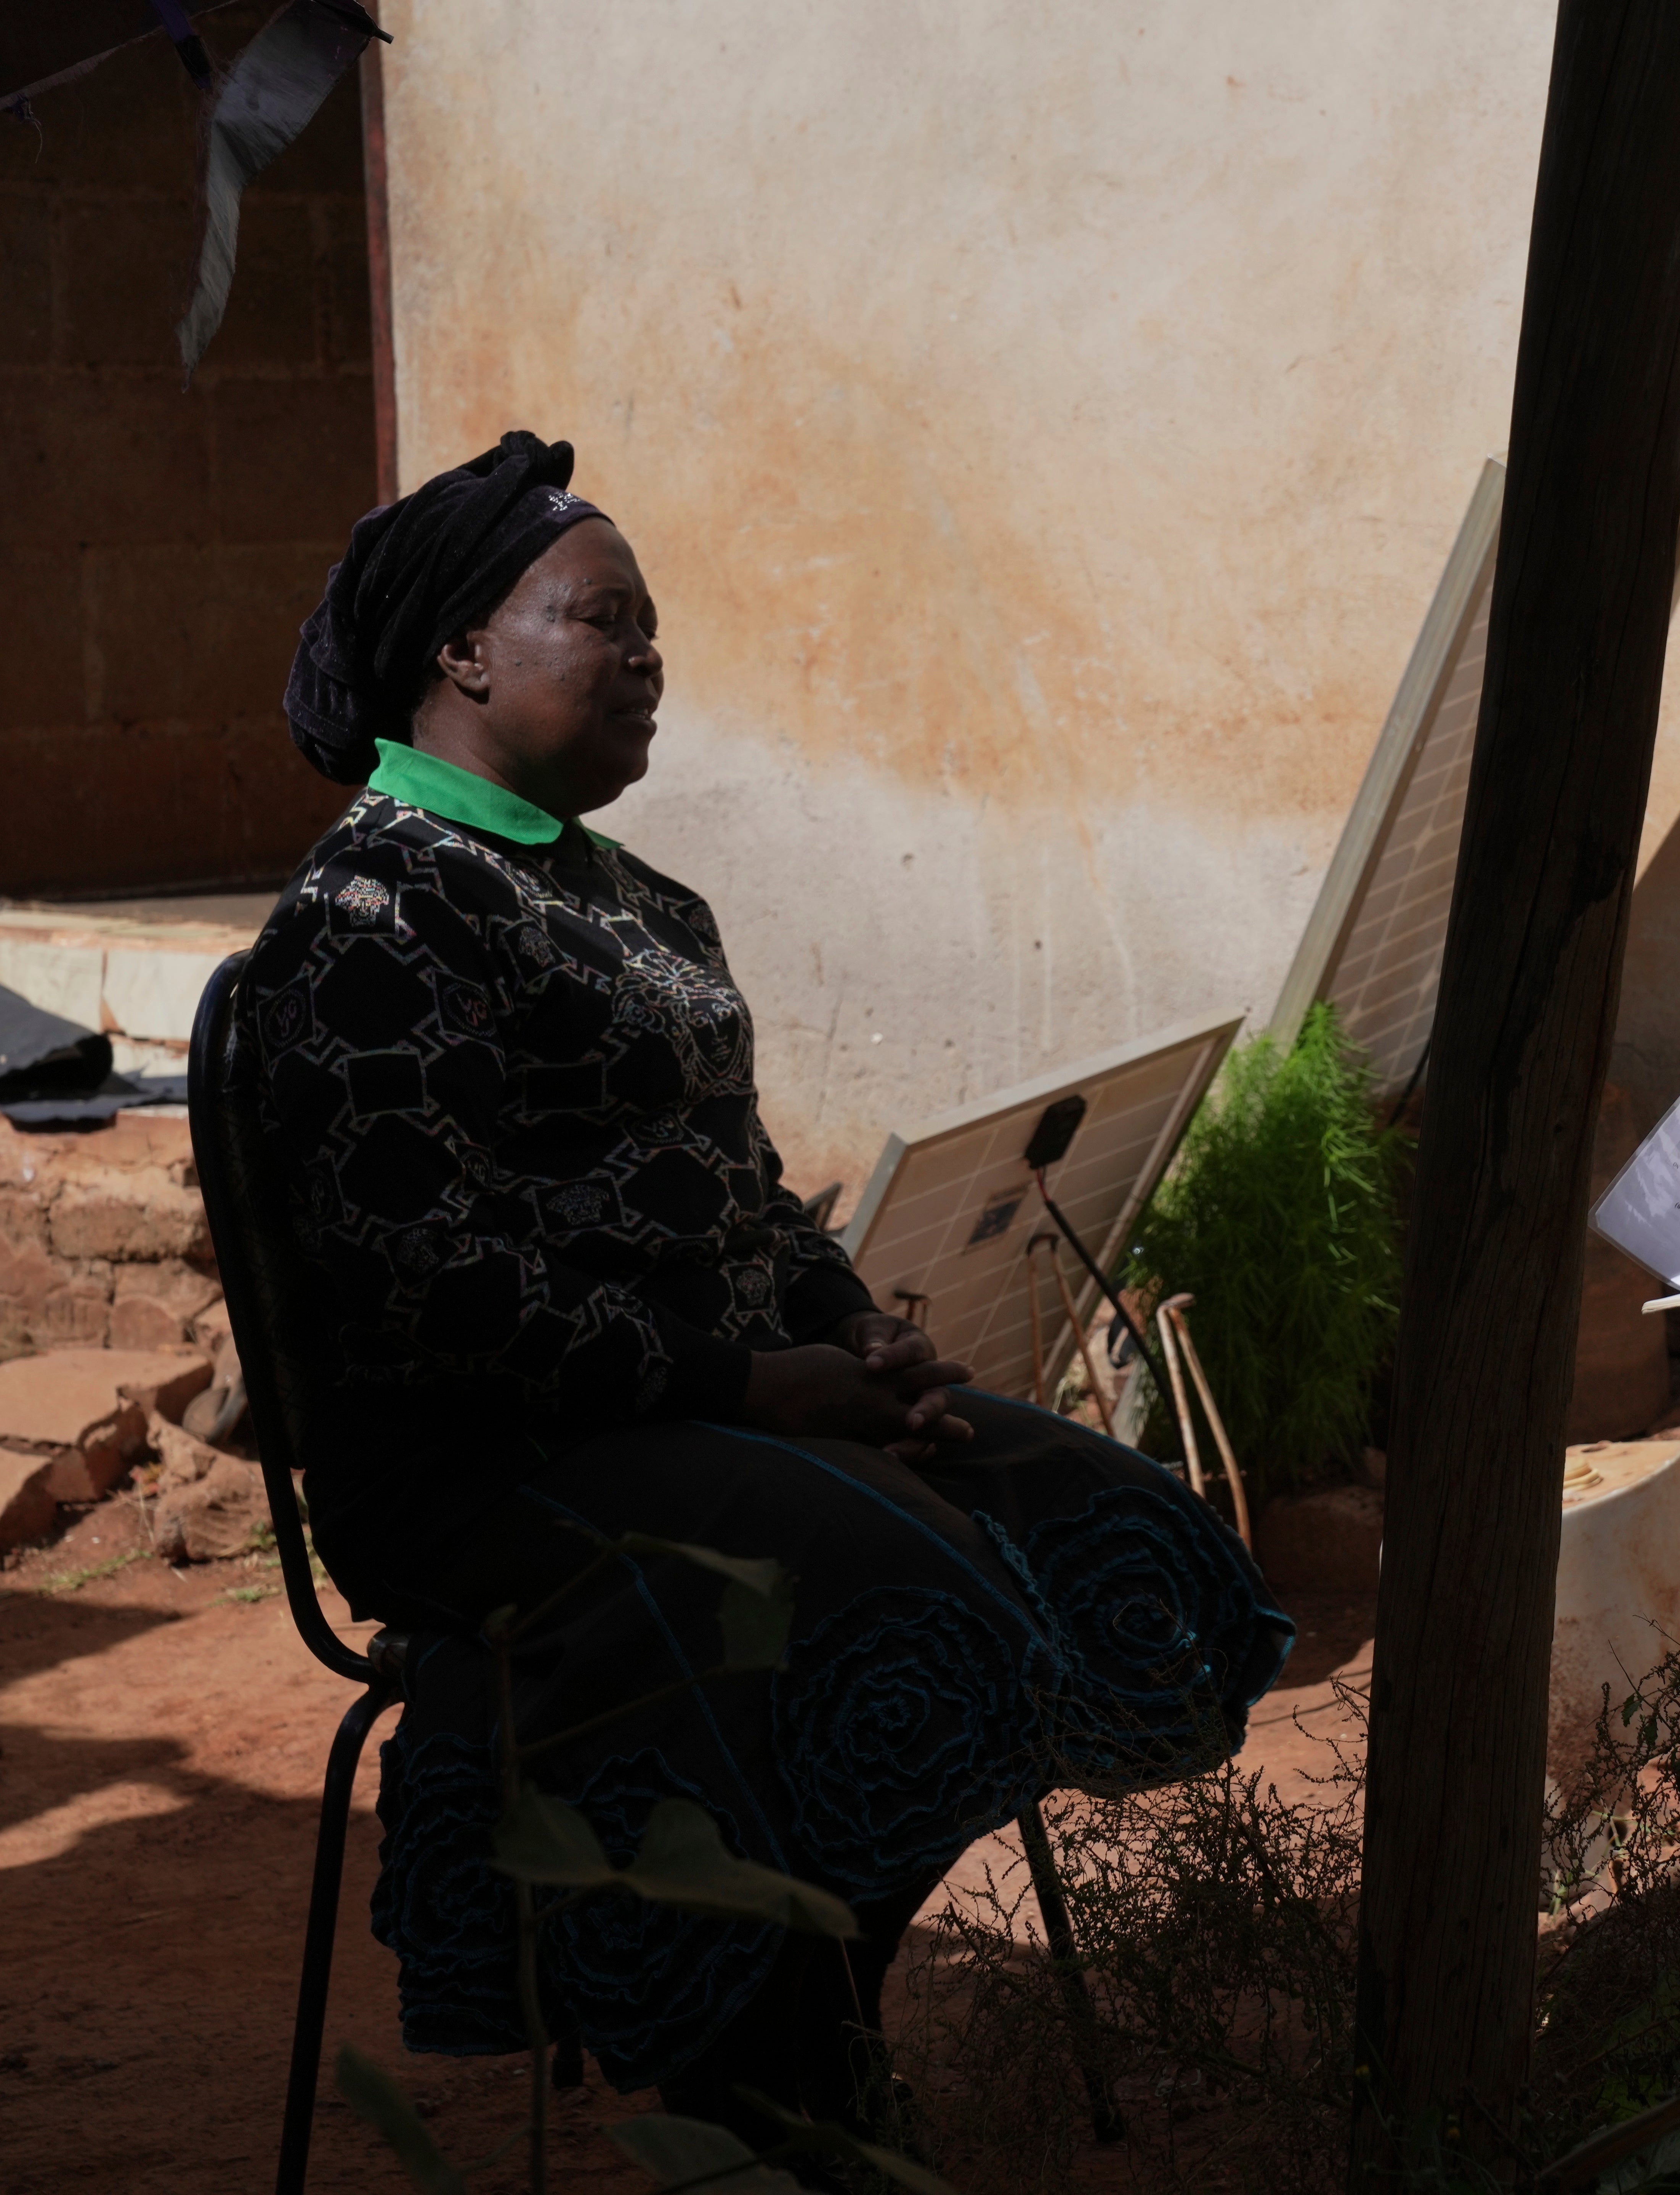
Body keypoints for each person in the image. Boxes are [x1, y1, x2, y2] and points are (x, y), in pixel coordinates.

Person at [236, 432, 1289, 2152]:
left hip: (707, 1402)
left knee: (1114, 1529)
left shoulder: (642, 902)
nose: (649, 658)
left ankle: (819, 2008)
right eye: (606, 620)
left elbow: (737, 1200)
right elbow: (430, 1284)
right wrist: (740, 1386)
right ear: (464, 654)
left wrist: (847, 1334)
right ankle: (762, 2082)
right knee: (901, 1592)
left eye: (656, 628)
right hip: (482, 1454)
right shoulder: (371, 915)